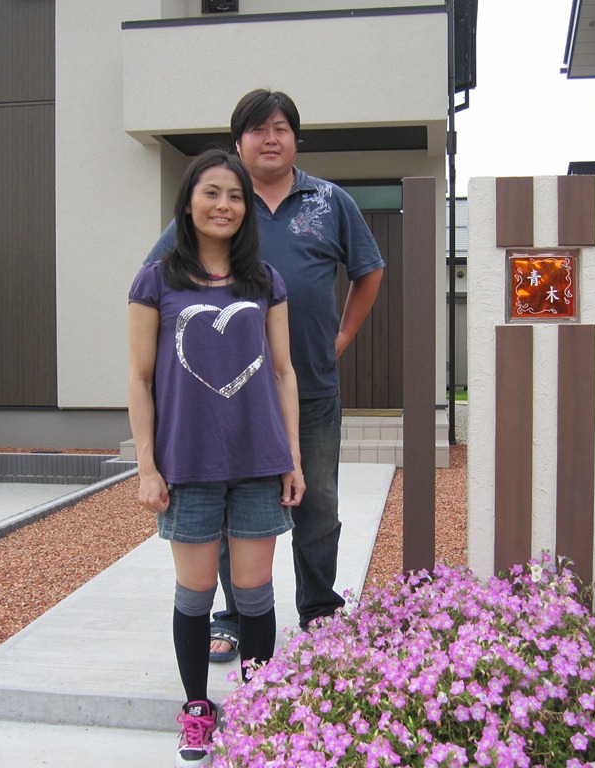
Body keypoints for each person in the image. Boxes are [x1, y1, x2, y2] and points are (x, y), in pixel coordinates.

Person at [145, 89, 385, 661]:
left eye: (281, 128)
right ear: (238, 142)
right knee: (232, 511)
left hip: (311, 387)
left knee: (317, 506)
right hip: (231, 400)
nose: (270, 139)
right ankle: (233, 615)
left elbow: (369, 271)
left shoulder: (329, 201)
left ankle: (320, 610)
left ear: (295, 138)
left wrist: (340, 338)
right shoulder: (221, 201)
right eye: (257, 129)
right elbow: (156, 279)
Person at [128, 148, 305, 768]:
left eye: (235, 196)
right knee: (197, 591)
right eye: (212, 193)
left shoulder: (265, 281)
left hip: (258, 460)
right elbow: (139, 378)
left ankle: (257, 706)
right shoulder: (156, 280)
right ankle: (197, 708)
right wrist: (147, 465)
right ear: (188, 203)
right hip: (188, 463)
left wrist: (293, 458)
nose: (224, 205)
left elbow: (283, 372)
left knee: (255, 593)